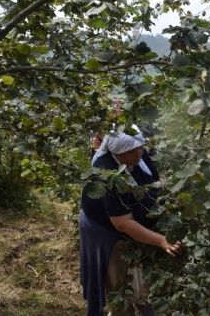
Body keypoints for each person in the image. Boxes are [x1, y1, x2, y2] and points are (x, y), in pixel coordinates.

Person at [79, 125, 184, 316]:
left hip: (132, 224)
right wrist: (161, 240)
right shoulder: (107, 173)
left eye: (140, 147)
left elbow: (157, 179)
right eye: (131, 151)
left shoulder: (137, 153)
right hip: (106, 231)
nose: (138, 154)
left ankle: (145, 307)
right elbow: (123, 224)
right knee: (120, 284)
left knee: (144, 282)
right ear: (116, 152)